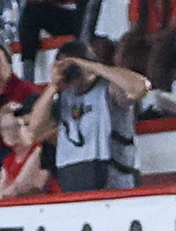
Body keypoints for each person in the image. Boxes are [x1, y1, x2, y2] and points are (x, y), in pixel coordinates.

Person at [36, 51, 146, 193]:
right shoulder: (64, 98)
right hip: (73, 173)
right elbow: (34, 132)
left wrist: (94, 67)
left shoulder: (109, 89)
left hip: (114, 178)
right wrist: (52, 87)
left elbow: (140, 88)